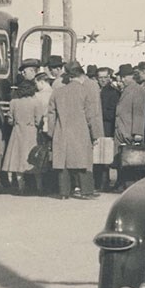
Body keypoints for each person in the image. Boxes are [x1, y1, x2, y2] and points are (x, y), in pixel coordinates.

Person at [45, 61, 104, 199]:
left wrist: (52, 133)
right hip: (80, 131)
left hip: (62, 131)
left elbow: (51, 114)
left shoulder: (57, 92)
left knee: (63, 163)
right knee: (83, 161)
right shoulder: (85, 91)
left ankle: (64, 192)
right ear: (80, 77)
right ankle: (86, 191)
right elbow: (91, 115)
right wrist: (95, 135)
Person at [2, 78, 46, 195]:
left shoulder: (14, 102)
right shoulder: (36, 102)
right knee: (34, 159)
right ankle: (39, 187)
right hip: (31, 132)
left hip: (17, 133)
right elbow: (39, 120)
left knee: (17, 159)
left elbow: (10, 120)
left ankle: (21, 187)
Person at [113, 63, 145, 190]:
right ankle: (123, 184)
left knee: (131, 160)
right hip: (121, 130)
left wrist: (138, 132)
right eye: (121, 77)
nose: (122, 79)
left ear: (132, 76)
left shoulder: (138, 91)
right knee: (123, 159)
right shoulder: (126, 90)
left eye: (124, 77)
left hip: (129, 131)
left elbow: (139, 113)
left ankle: (131, 187)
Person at [94, 66, 120, 191]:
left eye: (105, 77)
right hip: (96, 126)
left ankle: (104, 183)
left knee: (105, 156)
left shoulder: (113, 92)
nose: (103, 80)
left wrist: (98, 113)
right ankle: (97, 182)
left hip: (106, 127)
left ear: (109, 78)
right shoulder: (94, 90)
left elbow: (113, 113)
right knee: (95, 155)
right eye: (100, 78)